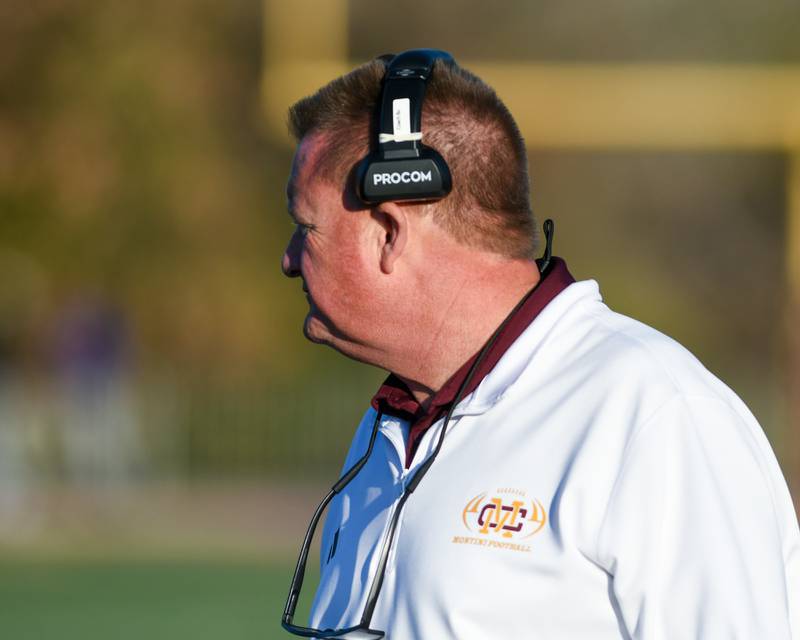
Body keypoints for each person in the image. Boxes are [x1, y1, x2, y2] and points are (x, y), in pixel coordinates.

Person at [280, 51, 800, 639]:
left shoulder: (656, 414)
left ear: (391, 233)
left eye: (306, 226)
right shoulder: (393, 427)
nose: (289, 259)